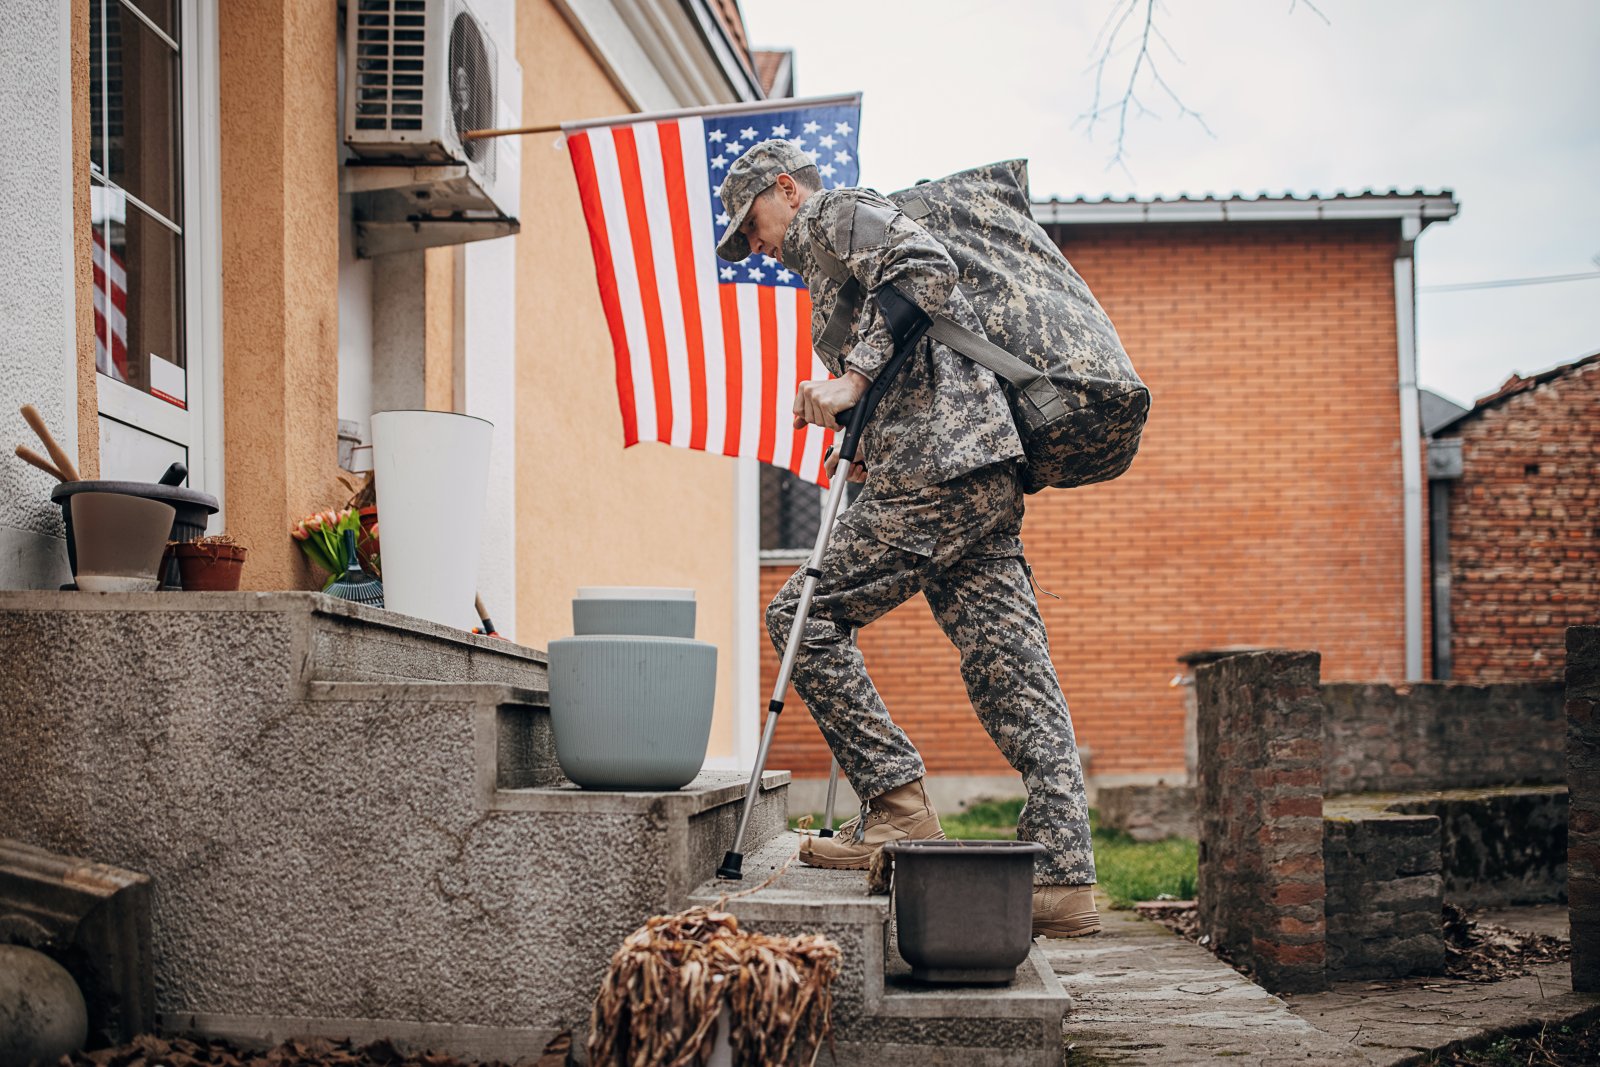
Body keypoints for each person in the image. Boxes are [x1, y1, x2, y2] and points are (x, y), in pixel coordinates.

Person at [717, 139, 1100, 938]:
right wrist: (864, 428)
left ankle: (894, 803)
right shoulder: (833, 257)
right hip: (978, 467)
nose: (756, 246)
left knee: (800, 618)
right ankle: (1064, 876)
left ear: (784, 189)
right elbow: (918, 341)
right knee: (1012, 668)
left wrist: (852, 379)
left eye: (751, 224)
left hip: (938, 468)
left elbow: (926, 264)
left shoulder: (831, 211)